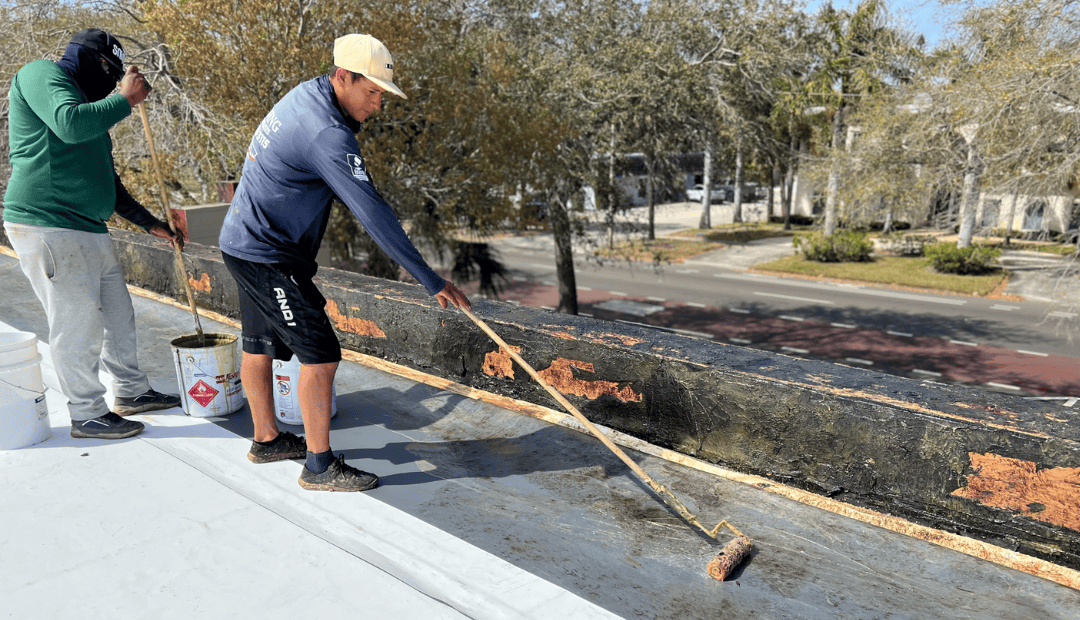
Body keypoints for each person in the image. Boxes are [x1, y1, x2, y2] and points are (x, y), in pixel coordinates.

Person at [218, 33, 471, 492]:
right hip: (268, 255)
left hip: (240, 240)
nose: (376, 104)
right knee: (321, 354)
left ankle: (266, 439)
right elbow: (372, 212)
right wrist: (430, 280)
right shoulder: (327, 135)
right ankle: (319, 466)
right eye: (371, 91)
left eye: (382, 94)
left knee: (258, 342)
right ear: (342, 77)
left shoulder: (306, 95)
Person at [2, 28, 183, 440]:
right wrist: (124, 99)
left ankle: (132, 392)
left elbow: (106, 179)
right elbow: (68, 125)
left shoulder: (90, 106)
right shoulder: (41, 74)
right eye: (108, 70)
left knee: (118, 315)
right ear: (91, 61)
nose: (111, 80)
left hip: (87, 225)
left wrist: (148, 222)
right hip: (47, 221)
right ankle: (86, 413)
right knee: (76, 321)